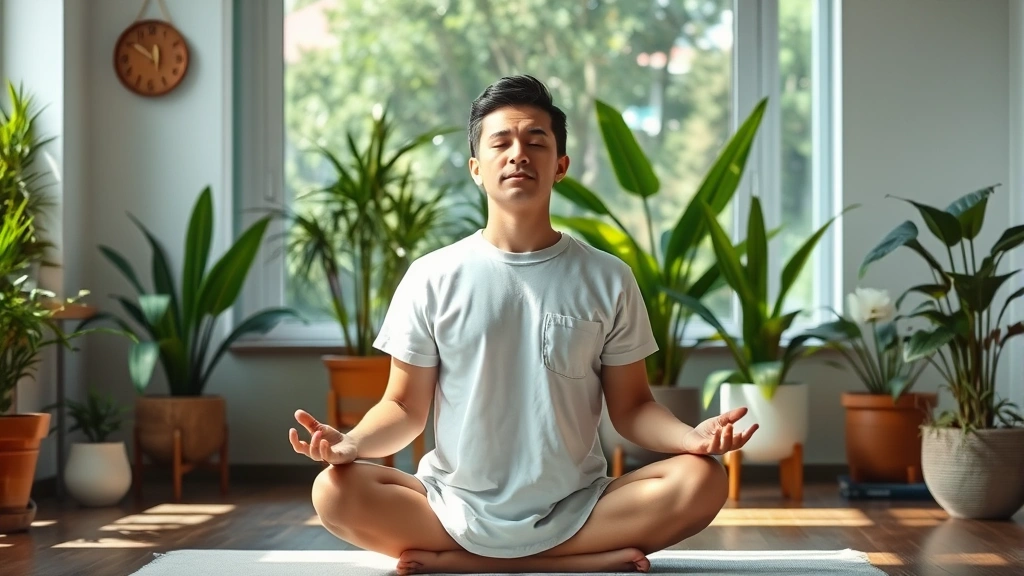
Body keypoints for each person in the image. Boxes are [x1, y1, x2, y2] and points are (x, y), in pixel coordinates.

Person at [288, 75, 759, 575]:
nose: (519, 154)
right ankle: (573, 563)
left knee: (703, 480)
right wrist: (351, 444)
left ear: (560, 167)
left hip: (578, 506)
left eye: (536, 142)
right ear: (476, 168)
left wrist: (693, 439)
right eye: (501, 142)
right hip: (451, 507)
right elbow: (404, 407)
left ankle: (471, 565)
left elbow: (634, 408)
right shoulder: (432, 276)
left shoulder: (607, 277)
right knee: (334, 492)